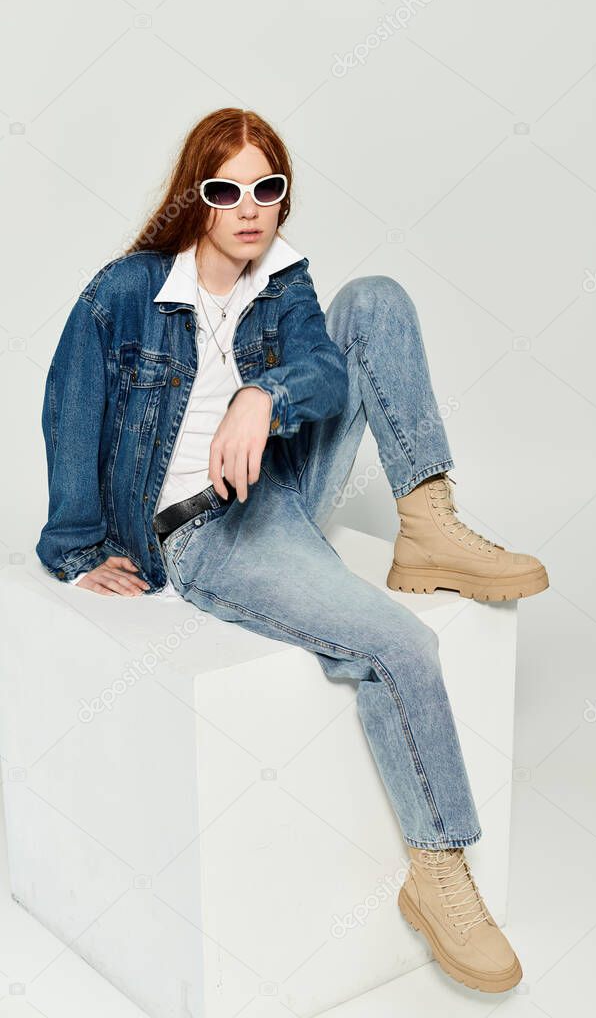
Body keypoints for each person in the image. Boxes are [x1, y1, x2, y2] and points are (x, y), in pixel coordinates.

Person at [36, 107, 549, 994]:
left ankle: (426, 522)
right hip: (210, 528)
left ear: (281, 198)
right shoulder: (126, 291)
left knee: (376, 297)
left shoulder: (284, 281)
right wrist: (75, 546)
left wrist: (259, 396)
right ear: (196, 197)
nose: (248, 207)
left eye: (265, 188)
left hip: (283, 483)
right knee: (401, 645)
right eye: (225, 189)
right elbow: (70, 404)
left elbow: (322, 369)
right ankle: (438, 869)